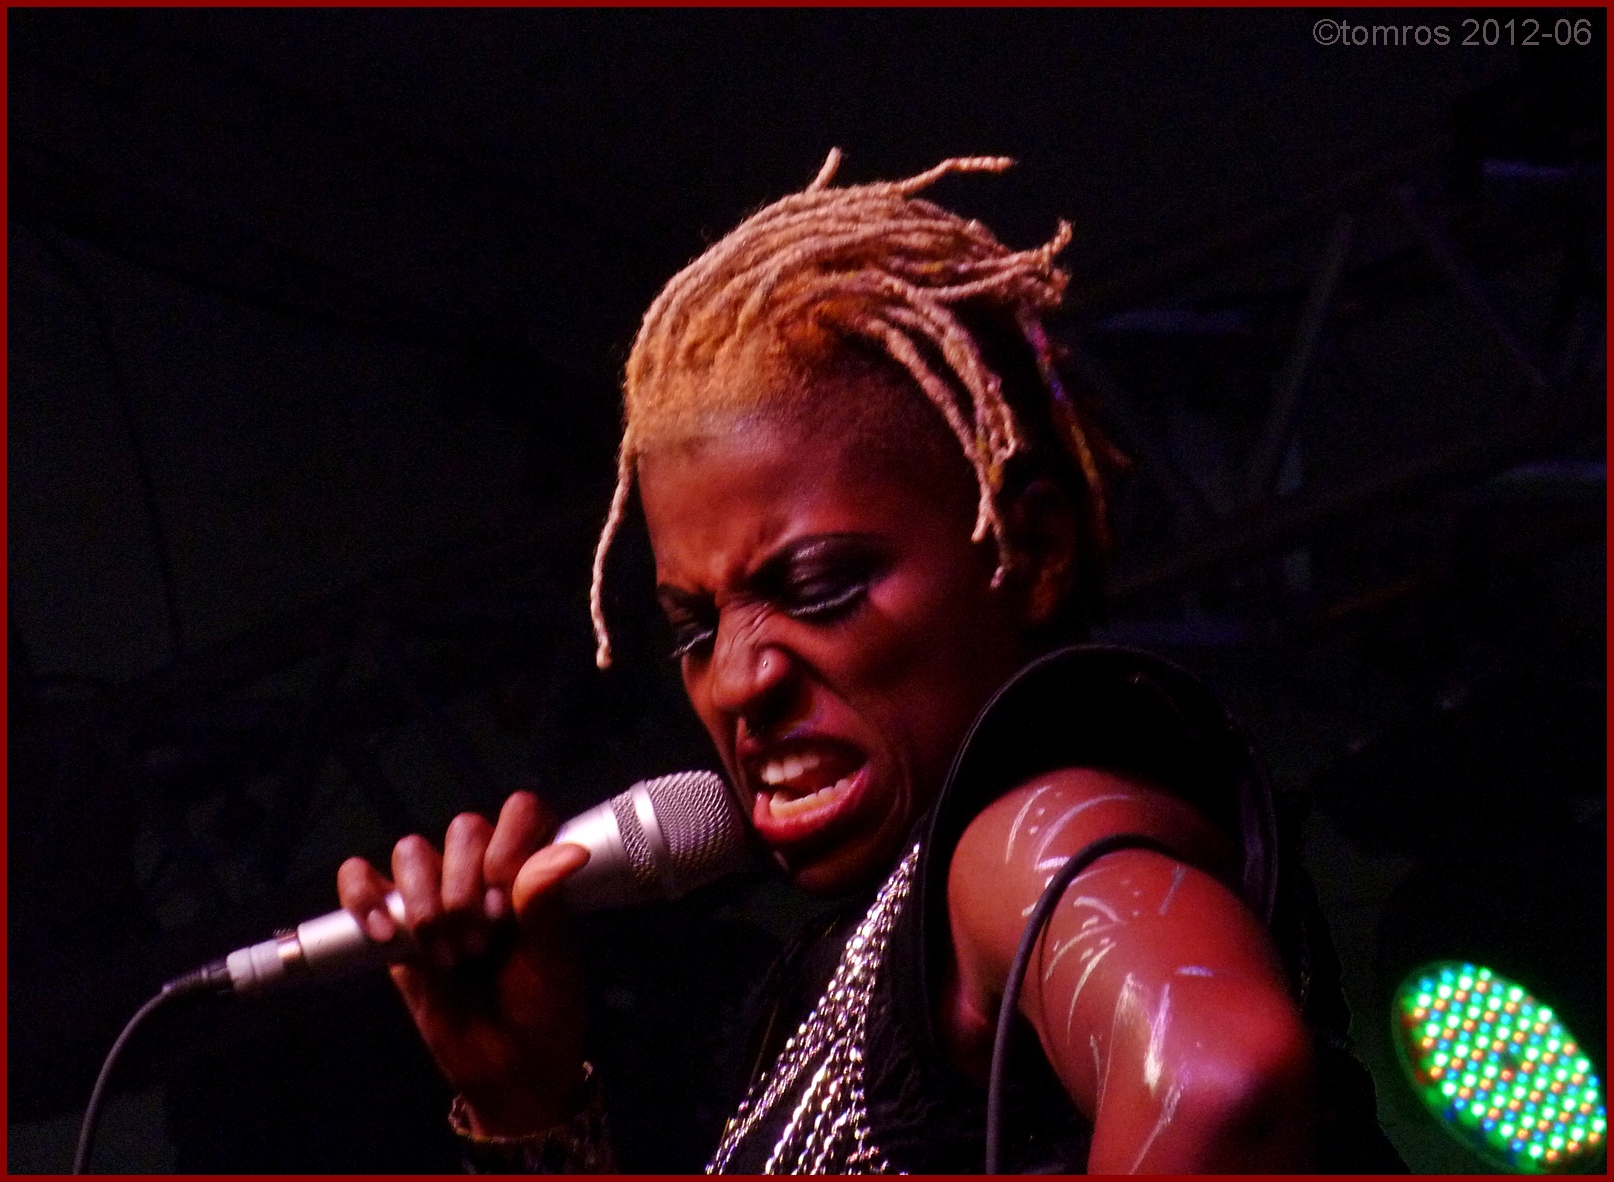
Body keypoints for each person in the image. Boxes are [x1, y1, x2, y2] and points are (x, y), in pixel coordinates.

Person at [338, 150, 1404, 1173]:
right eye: (694, 630)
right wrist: (531, 1108)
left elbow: (1222, 1082)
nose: (741, 681)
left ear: (1025, 553)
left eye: (815, 590)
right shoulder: (846, 984)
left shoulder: (1023, 840)